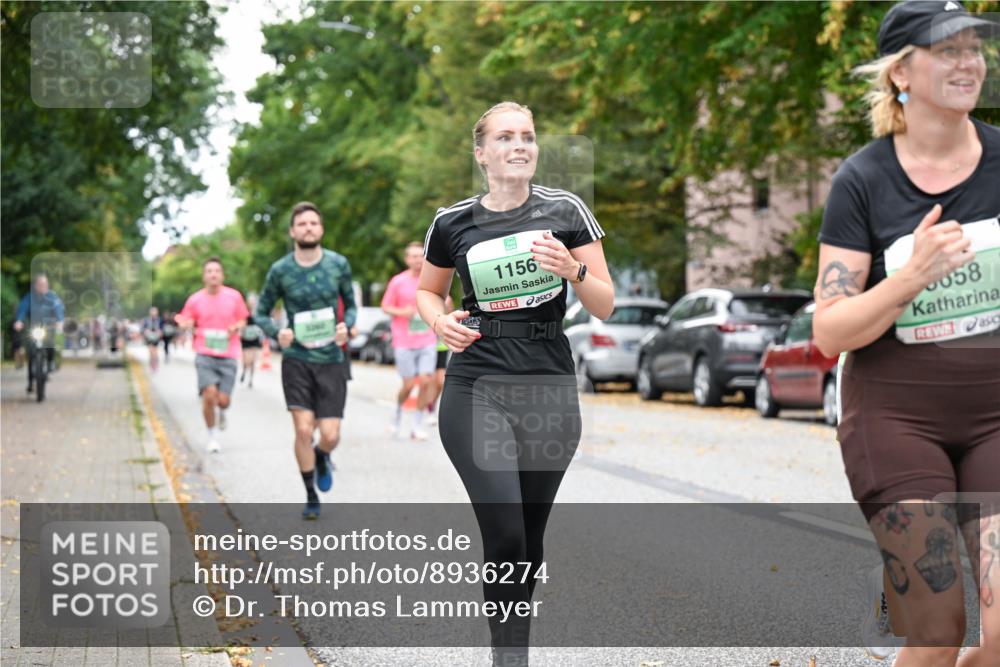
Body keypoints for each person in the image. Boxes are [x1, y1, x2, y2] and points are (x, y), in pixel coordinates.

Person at [812, 3, 1000, 665]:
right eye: (947, 50)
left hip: (995, 417)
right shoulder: (863, 180)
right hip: (896, 421)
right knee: (939, 626)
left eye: (973, 48)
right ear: (901, 73)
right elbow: (829, 330)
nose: (968, 63)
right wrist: (911, 276)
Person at [416, 101, 614, 666]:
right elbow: (429, 291)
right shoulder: (451, 222)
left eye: (527, 136)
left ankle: (513, 649)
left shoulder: (566, 210)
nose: (519, 145)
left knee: (527, 536)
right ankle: (509, 660)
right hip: (475, 382)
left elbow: (604, 303)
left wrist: (573, 271)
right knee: (504, 530)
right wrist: (439, 322)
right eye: (504, 137)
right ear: (481, 153)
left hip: (547, 383)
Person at [256, 201, 355, 520]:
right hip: (297, 359)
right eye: (302, 224)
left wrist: (347, 326)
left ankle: (321, 455)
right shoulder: (280, 270)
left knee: (330, 435)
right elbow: (260, 312)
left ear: (321, 229)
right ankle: (311, 495)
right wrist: (277, 332)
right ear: (292, 231)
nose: (308, 228)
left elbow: (351, 306)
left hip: (332, 358)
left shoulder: (338, 264)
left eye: (313, 223)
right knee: (302, 429)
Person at [176, 257, 249, 454]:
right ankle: (212, 437)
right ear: (204, 276)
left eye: (217, 271)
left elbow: (243, 319)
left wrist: (236, 326)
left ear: (222, 275)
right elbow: (184, 318)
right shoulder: (195, 299)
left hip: (228, 353)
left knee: (223, 400)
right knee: (209, 395)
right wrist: (185, 323)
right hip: (204, 353)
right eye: (209, 271)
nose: (213, 274)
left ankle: (222, 411)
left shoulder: (234, 296)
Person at [381, 242, 440, 440]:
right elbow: (385, 306)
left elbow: (441, 301)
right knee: (408, 385)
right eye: (413, 256)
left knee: (426, 381)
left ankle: (416, 425)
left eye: (421, 256)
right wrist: (402, 312)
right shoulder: (398, 281)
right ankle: (397, 413)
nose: (418, 260)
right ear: (407, 259)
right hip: (404, 340)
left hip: (427, 338)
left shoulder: (432, 279)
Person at [13, 273, 65, 391]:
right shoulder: (29, 297)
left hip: (48, 327)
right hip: (34, 327)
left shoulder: (52, 297)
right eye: (41, 284)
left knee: (51, 346)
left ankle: (50, 363)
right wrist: (19, 321)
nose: (43, 286)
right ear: (35, 285)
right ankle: (30, 382)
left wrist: (60, 321)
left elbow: (58, 309)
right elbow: (23, 308)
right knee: (31, 353)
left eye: (45, 284)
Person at [239, 295, 264, 388]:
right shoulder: (244, 312)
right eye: (251, 301)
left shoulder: (259, 313)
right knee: (246, 359)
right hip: (246, 340)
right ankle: (244, 371)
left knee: (254, 360)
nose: (253, 303)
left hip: (255, 340)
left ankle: (250, 380)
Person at [141, 306, 163, 371]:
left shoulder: (159, 320)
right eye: (152, 311)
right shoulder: (146, 320)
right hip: (149, 338)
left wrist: (160, 332)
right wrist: (145, 331)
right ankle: (151, 364)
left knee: (155, 352)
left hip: (156, 338)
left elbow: (162, 328)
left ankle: (156, 365)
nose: (153, 313)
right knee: (151, 351)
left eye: (155, 311)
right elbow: (143, 328)